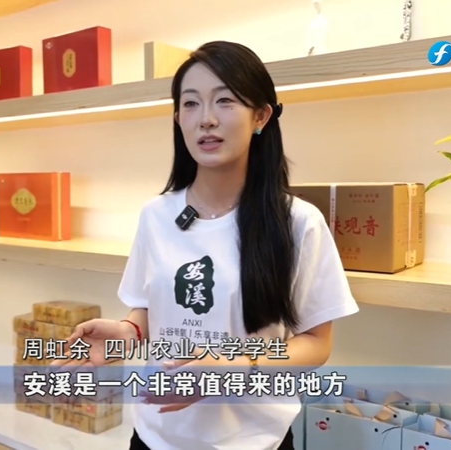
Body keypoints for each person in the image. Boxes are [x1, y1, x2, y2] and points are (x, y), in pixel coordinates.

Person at [51, 41, 359, 450]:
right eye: (191, 104)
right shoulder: (156, 215)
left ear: (261, 116)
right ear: (178, 118)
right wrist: (129, 331)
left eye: (225, 101)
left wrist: (235, 367)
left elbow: (316, 343)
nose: (206, 119)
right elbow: (150, 305)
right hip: (154, 437)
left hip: (254, 441)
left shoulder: (297, 222)